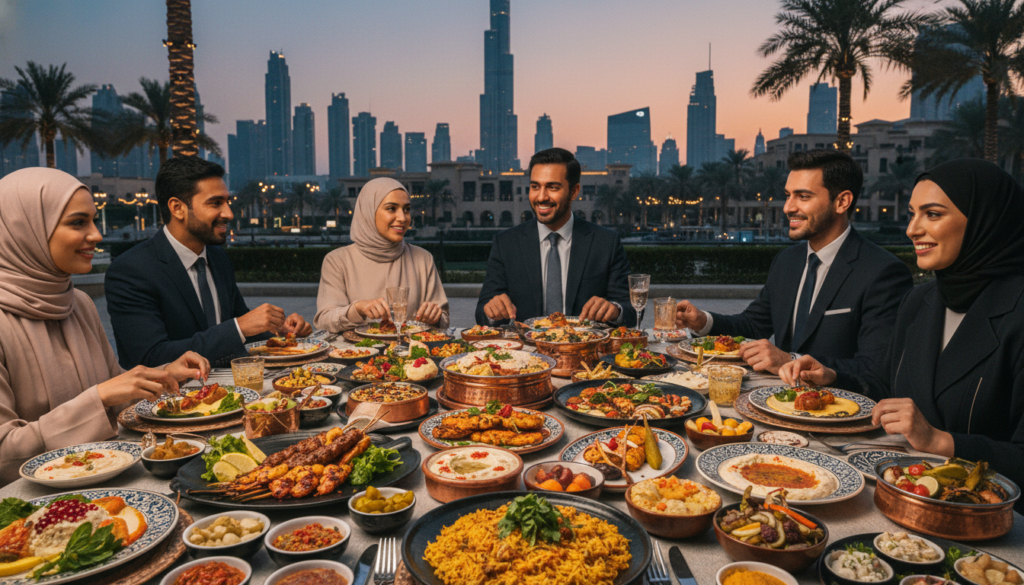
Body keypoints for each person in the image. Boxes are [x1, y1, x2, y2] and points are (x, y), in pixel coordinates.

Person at [781, 159, 1024, 509]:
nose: (912, 229)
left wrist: (942, 441)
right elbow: (887, 387)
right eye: (912, 214)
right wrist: (832, 375)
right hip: (896, 499)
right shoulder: (920, 301)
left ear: (986, 221)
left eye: (933, 214)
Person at [0, 168, 209, 485]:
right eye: (78, 222)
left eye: (94, 220)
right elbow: (4, 454)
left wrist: (163, 373)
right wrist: (97, 398)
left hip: (113, 481)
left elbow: (116, 397)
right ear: (23, 230)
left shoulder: (78, 303)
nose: (97, 234)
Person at [674, 149, 912, 377]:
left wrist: (790, 361)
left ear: (842, 202)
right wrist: (703, 321)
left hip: (838, 411)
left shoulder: (883, 273)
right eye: (788, 196)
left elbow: (875, 371)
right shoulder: (788, 260)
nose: (788, 208)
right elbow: (754, 325)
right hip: (776, 403)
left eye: (803, 196)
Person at [105, 156, 312, 369]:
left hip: (231, 390)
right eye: (215, 203)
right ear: (177, 208)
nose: (229, 213)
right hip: (172, 399)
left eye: (227, 202)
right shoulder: (131, 271)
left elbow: (241, 327)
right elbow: (150, 358)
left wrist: (279, 332)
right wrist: (240, 327)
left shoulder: (217, 257)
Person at [476, 148, 636, 326]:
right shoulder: (506, 243)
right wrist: (491, 311)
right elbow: (482, 311)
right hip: (526, 351)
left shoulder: (606, 243)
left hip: (582, 350)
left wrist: (614, 310)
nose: (541, 197)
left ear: (574, 192)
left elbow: (629, 311)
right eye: (535, 187)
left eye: (552, 187)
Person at [314, 178, 449, 331]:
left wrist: (435, 316)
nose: (403, 218)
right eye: (391, 208)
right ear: (368, 211)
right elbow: (324, 319)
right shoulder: (337, 261)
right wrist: (357, 309)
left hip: (410, 353)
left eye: (406, 209)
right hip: (355, 353)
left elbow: (443, 319)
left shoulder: (423, 259)